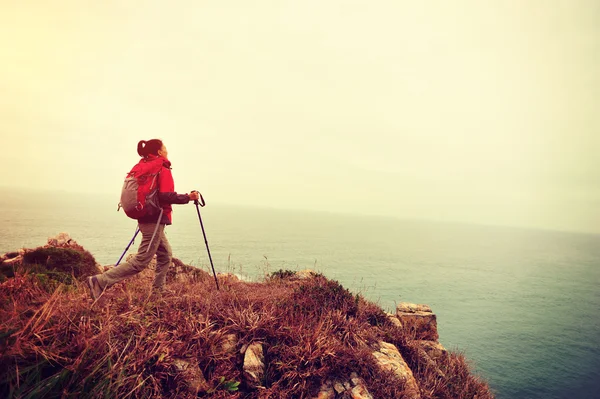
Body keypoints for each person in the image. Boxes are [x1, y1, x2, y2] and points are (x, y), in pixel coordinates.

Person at [87, 139, 200, 300]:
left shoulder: (143, 166)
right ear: (160, 152)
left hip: (147, 216)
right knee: (141, 261)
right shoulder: (162, 167)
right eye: (165, 148)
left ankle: (158, 290)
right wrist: (188, 197)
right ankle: (100, 281)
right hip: (154, 218)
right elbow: (165, 195)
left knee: (165, 255)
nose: (167, 150)